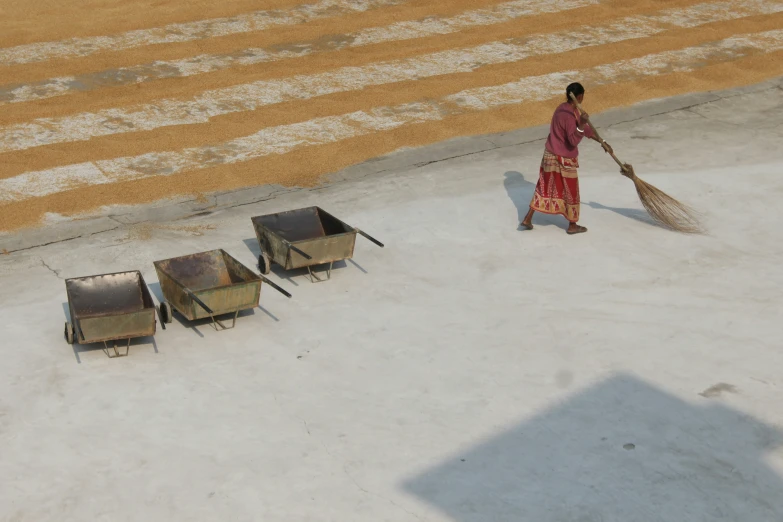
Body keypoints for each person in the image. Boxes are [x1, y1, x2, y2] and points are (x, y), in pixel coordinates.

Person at [520, 82, 613, 234]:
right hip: (563, 159)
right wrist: (581, 124)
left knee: (542, 186)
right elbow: (573, 140)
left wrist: (602, 142)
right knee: (571, 191)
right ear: (580, 96)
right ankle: (572, 225)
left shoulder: (563, 108)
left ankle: (528, 218)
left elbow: (587, 130)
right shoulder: (569, 116)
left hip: (549, 155)